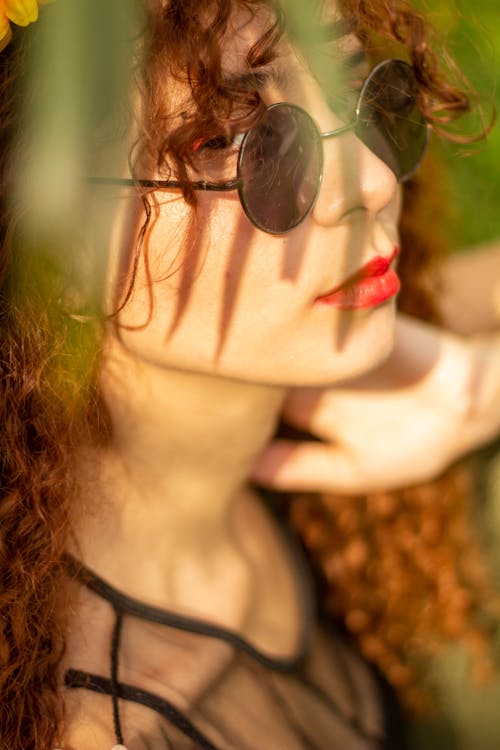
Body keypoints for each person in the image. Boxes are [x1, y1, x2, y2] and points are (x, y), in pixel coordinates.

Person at [0, 1, 498, 748]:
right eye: (231, 139)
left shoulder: (324, 369)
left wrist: (480, 390)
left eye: (354, 86)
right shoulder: (107, 726)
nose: (369, 181)